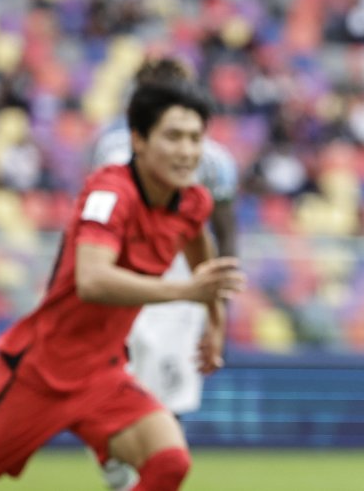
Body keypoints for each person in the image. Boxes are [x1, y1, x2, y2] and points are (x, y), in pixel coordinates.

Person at [0, 78, 246, 491]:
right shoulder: (109, 193)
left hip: (102, 375)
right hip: (39, 372)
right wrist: (186, 293)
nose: (187, 151)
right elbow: (93, 280)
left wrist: (215, 319)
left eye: (196, 138)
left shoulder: (191, 202)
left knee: (169, 463)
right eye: (173, 137)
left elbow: (203, 259)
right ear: (138, 140)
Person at [89, 58, 240, 491]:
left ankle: (145, 475)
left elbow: (224, 231)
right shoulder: (112, 150)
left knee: (168, 399)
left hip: (181, 291)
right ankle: (120, 470)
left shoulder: (213, 162)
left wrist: (218, 302)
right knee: (115, 388)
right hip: (125, 284)